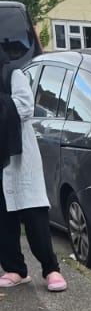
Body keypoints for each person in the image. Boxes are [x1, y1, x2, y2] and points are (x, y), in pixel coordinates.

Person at [0, 50, 66, 292]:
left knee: (34, 215)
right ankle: (15, 269)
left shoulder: (11, 74)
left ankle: (51, 269)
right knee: (3, 219)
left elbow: (26, 107)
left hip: (19, 158)